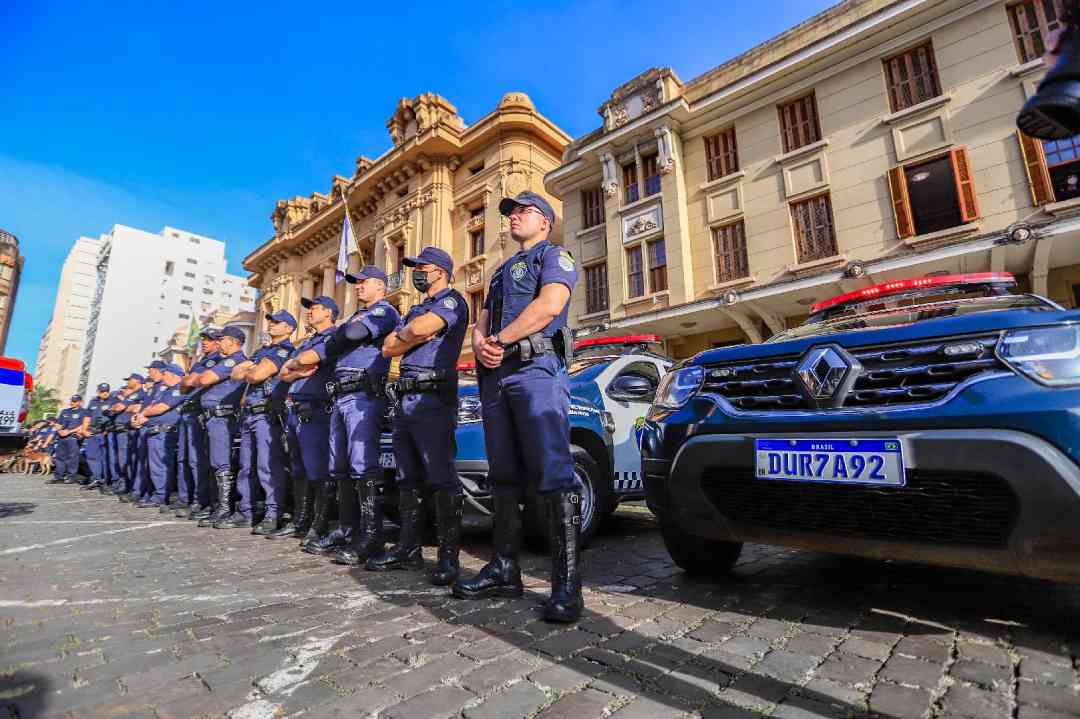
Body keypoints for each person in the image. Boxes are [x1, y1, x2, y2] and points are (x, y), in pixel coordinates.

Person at [452, 190, 583, 623]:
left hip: (535, 369)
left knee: (552, 472)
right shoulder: (501, 271)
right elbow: (483, 320)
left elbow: (550, 306)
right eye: (510, 213)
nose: (512, 218)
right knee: (502, 474)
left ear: (544, 221)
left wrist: (499, 342)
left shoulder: (554, 256)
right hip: (496, 376)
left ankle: (567, 586)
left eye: (523, 212)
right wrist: (481, 346)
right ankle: (505, 568)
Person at [367, 247, 469, 583]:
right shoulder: (417, 307)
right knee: (407, 477)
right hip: (406, 398)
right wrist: (408, 334)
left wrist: (407, 334)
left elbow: (419, 330)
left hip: (433, 399)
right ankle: (408, 551)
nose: (416, 272)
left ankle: (448, 558)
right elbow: (388, 348)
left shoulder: (452, 301)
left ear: (439, 270)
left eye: (421, 267)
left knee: (440, 478)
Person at [304, 267, 400, 565]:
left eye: (363, 282)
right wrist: (342, 335)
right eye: (355, 283)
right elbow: (332, 344)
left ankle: (371, 536)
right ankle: (347, 528)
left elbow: (350, 334)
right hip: (341, 395)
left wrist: (342, 333)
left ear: (380, 286)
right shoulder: (358, 315)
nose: (357, 287)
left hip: (363, 395)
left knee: (362, 464)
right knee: (339, 466)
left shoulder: (385, 311)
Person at [279, 296, 339, 552]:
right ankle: (301, 519)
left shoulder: (333, 337)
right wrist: (296, 368)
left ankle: (320, 523)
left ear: (328, 313)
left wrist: (296, 367)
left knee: (318, 470)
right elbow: (284, 372)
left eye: (314, 308)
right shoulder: (308, 341)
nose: (310, 312)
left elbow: (308, 364)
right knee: (298, 470)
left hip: (317, 410)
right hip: (296, 410)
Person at [229, 310, 297, 533]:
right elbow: (235, 373)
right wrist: (252, 369)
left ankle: (273, 513)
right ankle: (246, 511)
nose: (271, 325)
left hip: (267, 414)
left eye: (277, 322)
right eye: (271, 321)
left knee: (268, 465)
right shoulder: (262, 351)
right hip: (249, 413)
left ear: (288, 328)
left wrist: (252, 369)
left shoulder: (285, 349)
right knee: (245, 466)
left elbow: (256, 375)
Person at [194, 326, 248, 528]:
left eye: (222, 339)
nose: (218, 342)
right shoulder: (223, 361)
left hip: (223, 417)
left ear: (234, 341)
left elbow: (204, 379)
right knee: (216, 464)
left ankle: (225, 508)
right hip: (213, 418)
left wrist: (201, 376)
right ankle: (219, 506)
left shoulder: (233, 360)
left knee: (222, 463)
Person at [179, 329, 222, 520]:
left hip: (202, 413)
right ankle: (190, 498)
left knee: (201, 460)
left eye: (209, 339)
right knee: (187, 459)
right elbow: (184, 385)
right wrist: (192, 379)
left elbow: (202, 380)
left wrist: (193, 379)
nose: (205, 342)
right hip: (190, 412)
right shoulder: (201, 362)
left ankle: (201, 500)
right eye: (203, 339)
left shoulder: (217, 360)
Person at [134, 364, 187, 507]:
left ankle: (160, 496)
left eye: (165, 375)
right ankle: (155, 494)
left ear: (173, 375)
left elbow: (160, 408)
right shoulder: (167, 391)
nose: (162, 378)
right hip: (156, 430)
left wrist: (143, 414)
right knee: (155, 465)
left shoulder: (179, 389)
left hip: (164, 432)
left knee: (160, 466)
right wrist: (142, 417)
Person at [129, 363, 165, 506]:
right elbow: (145, 406)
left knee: (156, 464)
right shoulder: (155, 387)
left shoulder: (163, 387)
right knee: (143, 464)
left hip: (156, 427)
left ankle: (158, 495)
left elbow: (157, 407)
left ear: (156, 370)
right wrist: (137, 417)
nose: (149, 374)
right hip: (146, 426)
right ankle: (143, 492)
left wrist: (142, 416)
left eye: (150, 370)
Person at [111, 373, 145, 499]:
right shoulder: (130, 395)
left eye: (129, 380)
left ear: (137, 381)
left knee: (127, 459)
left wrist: (124, 408)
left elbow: (119, 407)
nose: (128, 382)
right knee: (122, 459)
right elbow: (115, 408)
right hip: (121, 429)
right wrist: (126, 407)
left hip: (128, 429)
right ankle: (123, 482)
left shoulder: (139, 394)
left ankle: (128, 485)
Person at [49, 395, 91, 484]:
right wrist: (59, 430)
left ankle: (71, 477)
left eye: (75, 401)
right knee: (60, 457)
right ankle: (58, 477)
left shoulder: (84, 412)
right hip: (62, 437)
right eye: (72, 401)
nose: (72, 403)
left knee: (72, 458)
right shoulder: (65, 411)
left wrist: (69, 431)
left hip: (73, 437)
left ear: (80, 402)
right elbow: (58, 423)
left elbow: (84, 425)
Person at [82, 383, 113, 490]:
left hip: (105, 433)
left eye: (106, 391)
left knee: (105, 457)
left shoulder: (113, 401)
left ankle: (106, 481)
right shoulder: (93, 402)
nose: (105, 393)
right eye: (102, 391)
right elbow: (87, 417)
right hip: (92, 433)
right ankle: (97, 479)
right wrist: (84, 430)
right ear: (98, 391)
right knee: (91, 457)